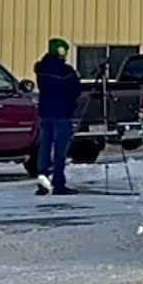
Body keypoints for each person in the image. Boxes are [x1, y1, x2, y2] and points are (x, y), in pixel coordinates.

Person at [34, 37, 82, 195]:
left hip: (45, 112)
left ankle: (43, 181)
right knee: (60, 151)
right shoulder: (66, 71)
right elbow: (76, 89)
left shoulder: (41, 69)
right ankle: (58, 183)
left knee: (44, 148)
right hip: (62, 113)